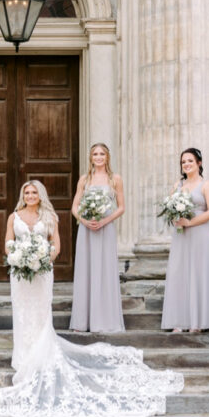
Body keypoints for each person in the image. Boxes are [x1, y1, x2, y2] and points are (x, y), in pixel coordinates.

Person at [0, 180, 183, 417]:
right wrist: (19, 257)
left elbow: (56, 246)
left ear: (40, 195)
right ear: (22, 195)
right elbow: (7, 244)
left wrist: (40, 260)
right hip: (19, 275)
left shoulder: (50, 217)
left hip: (41, 273)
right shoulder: (13, 217)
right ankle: (24, 357)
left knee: (39, 313)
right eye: (26, 192)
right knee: (22, 314)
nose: (30, 195)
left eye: (34, 192)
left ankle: (40, 354)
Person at [160, 148, 209, 333]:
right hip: (181, 235)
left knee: (199, 274)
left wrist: (190, 222)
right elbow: (169, 208)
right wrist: (175, 219)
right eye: (183, 162)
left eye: (190, 161)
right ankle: (179, 321)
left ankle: (199, 321)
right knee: (179, 274)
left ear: (199, 163)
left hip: (200, 235)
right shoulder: (177, 185)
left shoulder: (207, 185)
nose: (186, 164)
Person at [69, 143, 125, 333]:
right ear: (91, 157)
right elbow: (74, 207)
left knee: (104, 271)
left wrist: (105, 221)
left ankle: (103, 321)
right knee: (86, 270)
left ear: (107, 157)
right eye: (95, 154)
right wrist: (84, 221)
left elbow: (121, 207)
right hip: (86, 230)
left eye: (102, 154)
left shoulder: (115, 179)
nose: (99, 157)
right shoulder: (84, 179)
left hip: (105, 229)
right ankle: (82, 321)